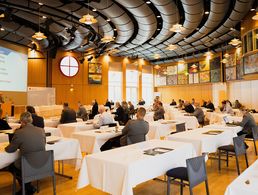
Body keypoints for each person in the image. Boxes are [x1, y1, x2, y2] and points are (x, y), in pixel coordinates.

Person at [5, 112, 46, 194]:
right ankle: (28, 188)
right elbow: (44, 143)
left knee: (11, 166)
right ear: (31, 120)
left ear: (22, 122)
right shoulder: (41, 130)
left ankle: (27, 188)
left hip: (28, 164)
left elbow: (10, 150)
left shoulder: (19, 132)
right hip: (43, 163)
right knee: (23, 163)